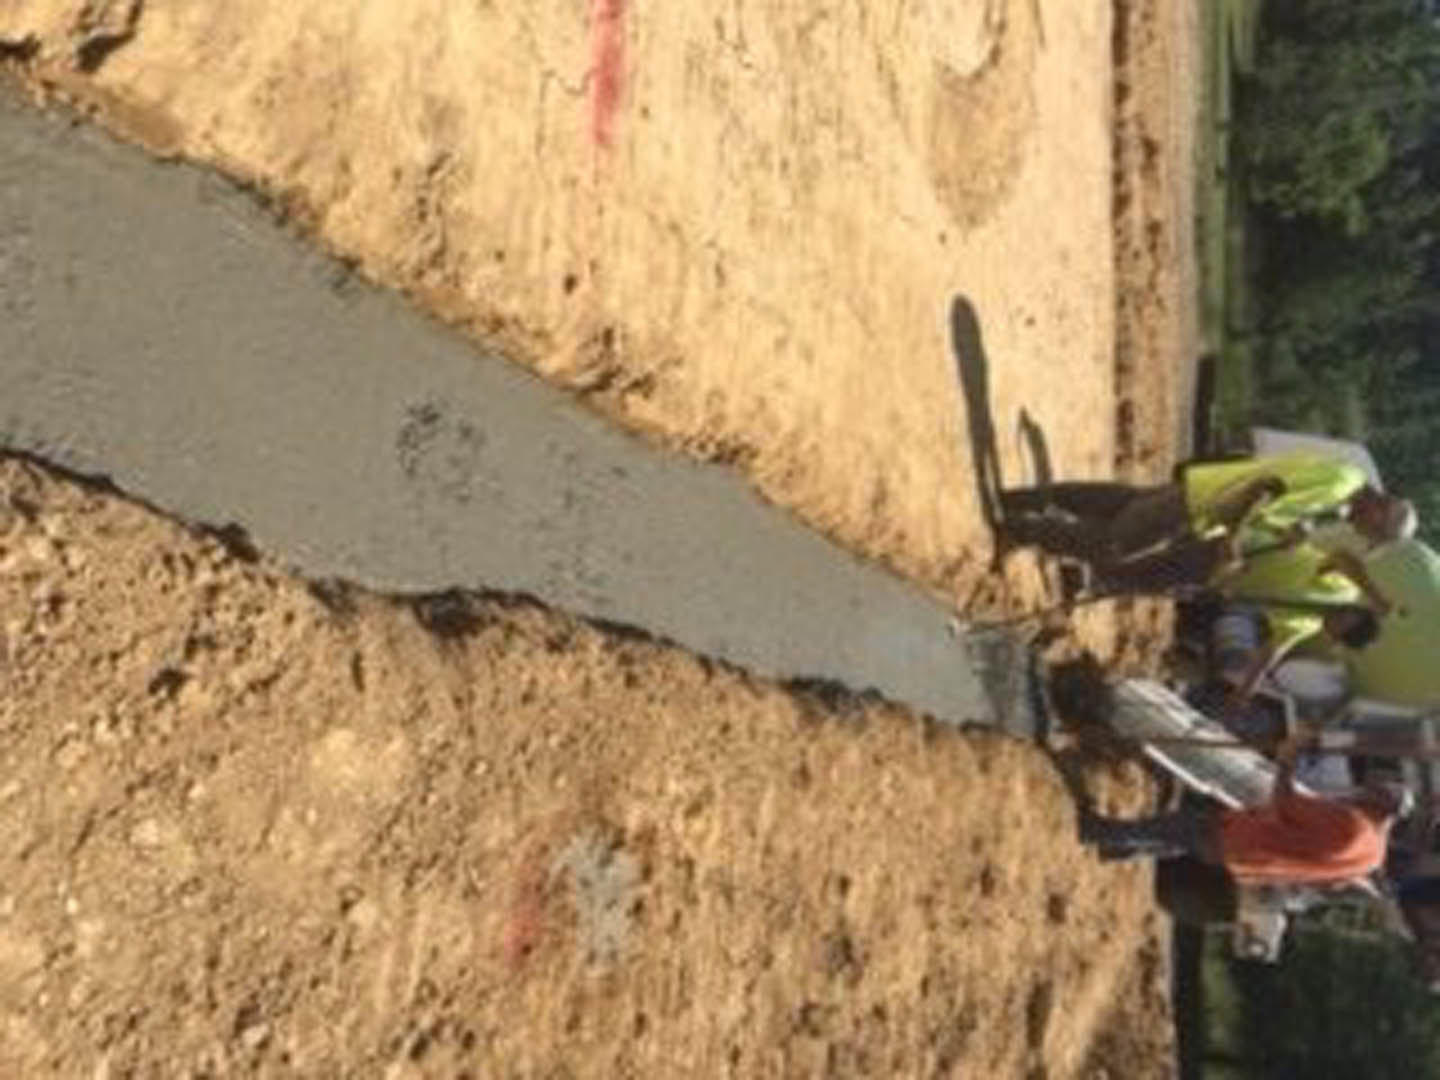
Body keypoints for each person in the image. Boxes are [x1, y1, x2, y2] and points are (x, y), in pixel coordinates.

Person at [997, 453, 1416, 597]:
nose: (1362, 535)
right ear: (1379, 512)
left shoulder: (1342, 486)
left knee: (1116, 503)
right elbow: (1265, 488)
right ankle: (1017, 527)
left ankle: (1022, 501)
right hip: (1205, 503)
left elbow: (1272, 502)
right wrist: (1232, 541)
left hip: (1207, 494)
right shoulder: (1338, 485)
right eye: (1371, 532)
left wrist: (1280, 532)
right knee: (1111, 546)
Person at [1077, 732, 1407, 886]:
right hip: (1253, 861)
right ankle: (1117, 848)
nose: (1364, 790)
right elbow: (1330, 883)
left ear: (1380, 802)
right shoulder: (1373, 857)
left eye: (1374, 789)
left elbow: (1285, 804)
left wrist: (1286, 762)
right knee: (1182, 842)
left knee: (1179, 827)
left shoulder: (1353, 825)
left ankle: (1100, 832)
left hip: (1247, 838)